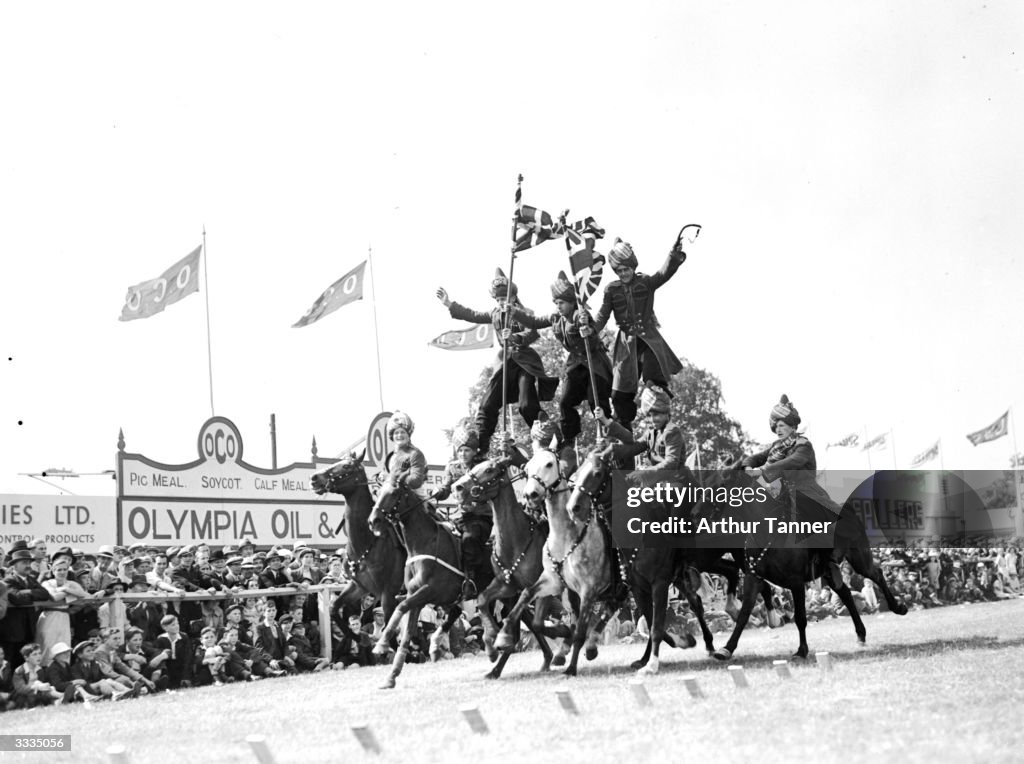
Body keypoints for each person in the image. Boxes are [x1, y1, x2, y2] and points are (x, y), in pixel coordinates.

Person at [437, 269, 559, 456]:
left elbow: (533, 331)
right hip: (505, 363)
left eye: (505, 299)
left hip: (524, 363)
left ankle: (548, 439)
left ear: (514, 297)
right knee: (487, 405)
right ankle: (481, 448)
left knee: (526, 405)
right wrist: (449, 304)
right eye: (499, 300)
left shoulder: (524, 312)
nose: (502, 303)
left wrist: (516, 337)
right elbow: (473, 315)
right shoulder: (495, 314)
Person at [592, 233, 690, 431]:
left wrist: (673, 254)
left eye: (626, 269)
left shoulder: (644, 282)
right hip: (626, 346)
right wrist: (590, 329)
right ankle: (623, 434)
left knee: (654, 382)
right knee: (620, 394)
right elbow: (602, 315)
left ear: (633, 267)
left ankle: (663, 429)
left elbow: (663, 274)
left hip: (648, 340)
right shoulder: (611, 290)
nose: (623, 273)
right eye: (619, 270)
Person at [742, 395, 847, 574]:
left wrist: (763, 470)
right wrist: (747, 465)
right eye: (776, 426)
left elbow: (792, 462)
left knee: (818, 522)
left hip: (806, 491)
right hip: (782, 492)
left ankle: (829, 560)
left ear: (793, 427)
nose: (778, 429)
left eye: (782, 425)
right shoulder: (776, 446)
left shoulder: (803, 445)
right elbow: (756, 457)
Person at [510, 271, 613, 451]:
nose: (558, 306)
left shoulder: (579, 315)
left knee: (595, 400)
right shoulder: (555, 318)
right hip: (575, 365)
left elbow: (591, 331)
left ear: (572, 302)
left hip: (594, 363)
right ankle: (569, 438)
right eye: (556, 303)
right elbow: (533, 322)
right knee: (565, 402)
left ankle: (606, 433)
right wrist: (515, 313)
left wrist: (585, 326)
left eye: (562, 303)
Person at [432, 421, 493, 587]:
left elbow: (490, 492)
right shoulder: (452, 468)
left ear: (474, 451)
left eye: (467, 450)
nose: (463, 454)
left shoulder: (483, 467)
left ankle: (472, 579)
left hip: (480, 517)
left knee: (469, 539)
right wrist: (438, 491)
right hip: (459, 518)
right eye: (460, 450)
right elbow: (446, 488)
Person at [0, 547, 52, 668]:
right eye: (24, 562)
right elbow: (17, 598)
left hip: (28, 631)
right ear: (14, 566)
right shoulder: (8, 580)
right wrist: (32, 593)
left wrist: (27, 591)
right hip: (12, 632)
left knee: (26, 665)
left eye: (29, 562)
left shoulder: (31, 580)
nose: (28, 565)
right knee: (10, 663)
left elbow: (44, 594)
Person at [37, 556, 92, 666]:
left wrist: (65, 589)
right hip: (49, 616)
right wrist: (72, 594)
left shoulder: (71, 584)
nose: (62, 572)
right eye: (59, 569)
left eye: (65, 569)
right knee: (47, 645)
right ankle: (45, 672)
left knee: (64, 645)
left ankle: (63, 671)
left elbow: (85, 595)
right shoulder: (47, 583)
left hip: (64, 617)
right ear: (53, 571)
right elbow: (54, 597)